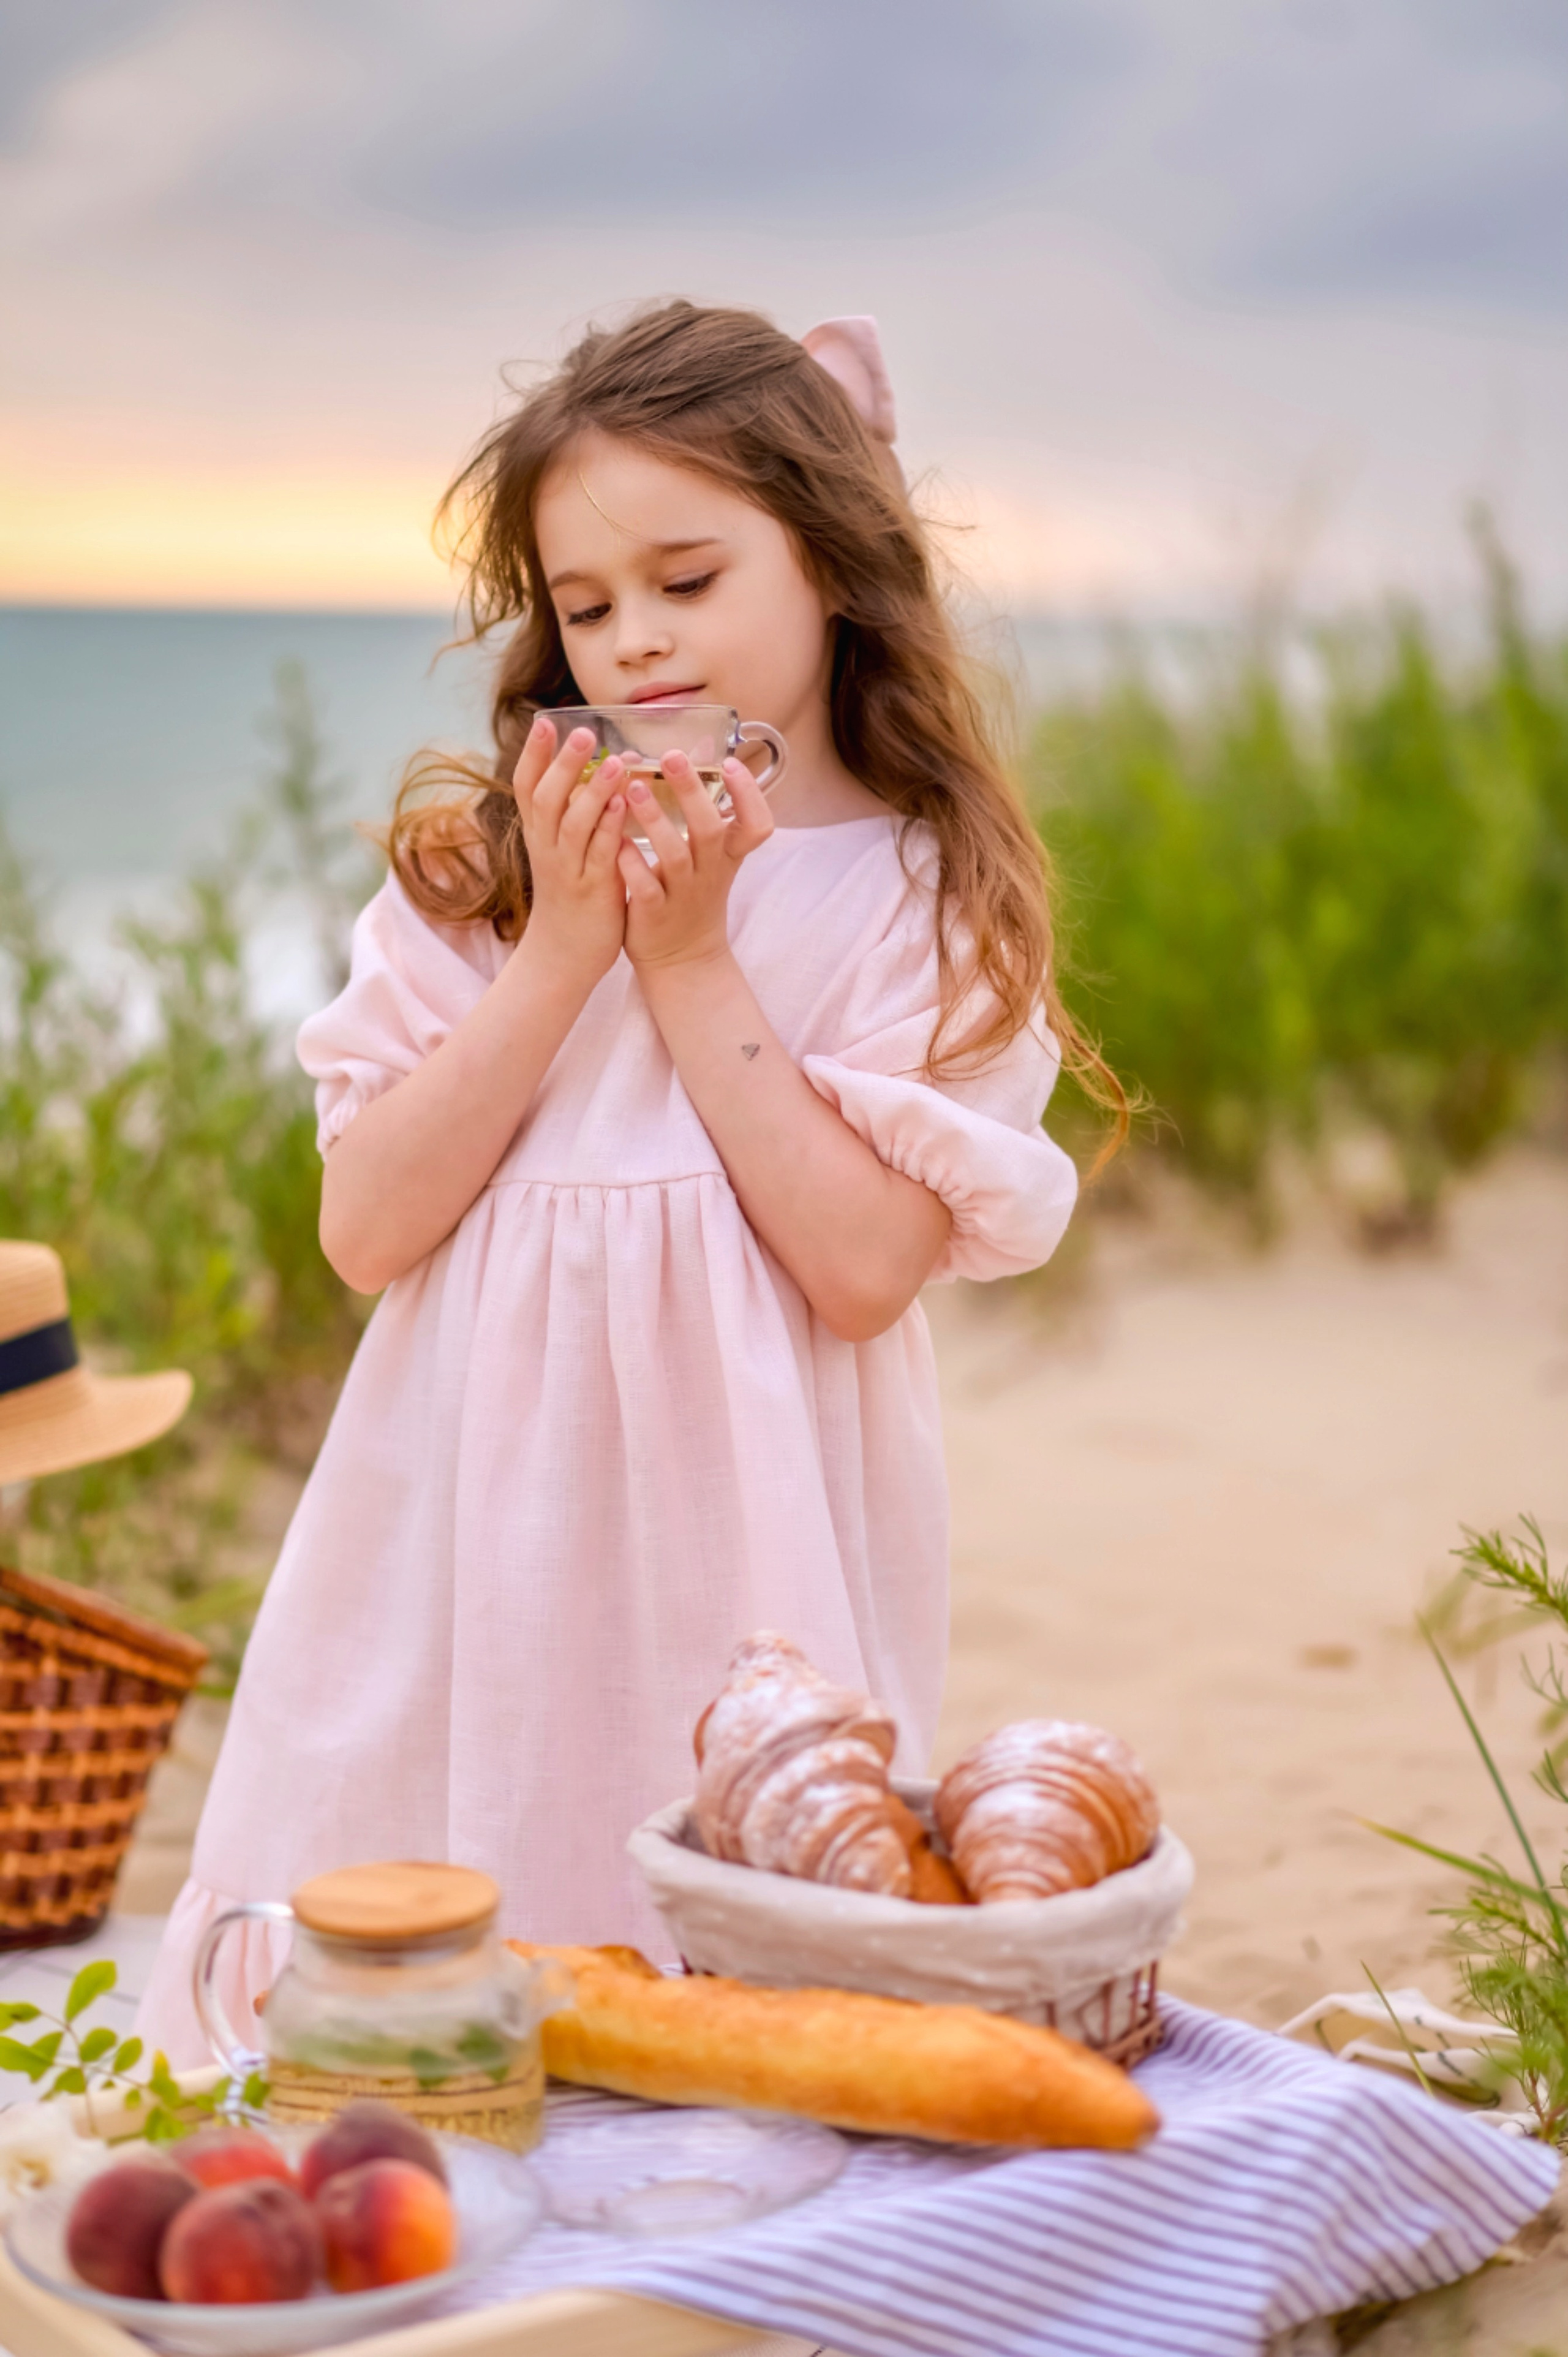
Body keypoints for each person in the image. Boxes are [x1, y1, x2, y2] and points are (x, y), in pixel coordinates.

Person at [138, 304, 1121, 2064]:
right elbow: (366, 1228)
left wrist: (688, 963)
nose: (637, 642)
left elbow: (863, 1269)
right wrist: (564, 949)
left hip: (745, 1537)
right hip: (455, 1519)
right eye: (586, 606)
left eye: (687, 578)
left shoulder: (920, 899)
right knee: (403, 1959)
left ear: (832, 565)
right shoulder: (490, 882)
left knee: (718, 1972)